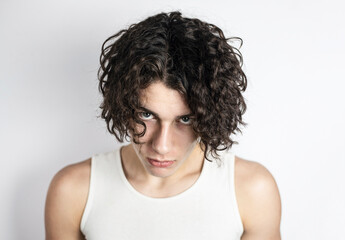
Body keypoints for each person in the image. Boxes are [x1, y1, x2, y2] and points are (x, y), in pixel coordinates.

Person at [45, 11, 281, 240]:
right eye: (147, 115)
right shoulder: (74, 190)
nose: (162, 146)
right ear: (123, 104)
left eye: (185, 119)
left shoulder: (251, 191)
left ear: (210, 116)